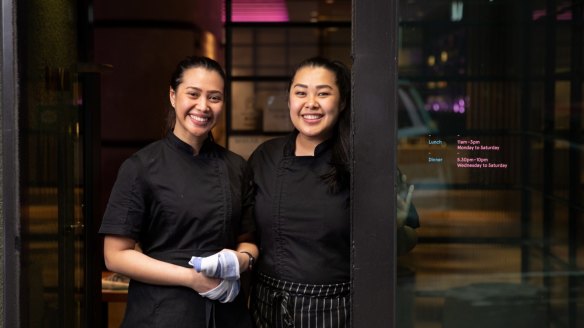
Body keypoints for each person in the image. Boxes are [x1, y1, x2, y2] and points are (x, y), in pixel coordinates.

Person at [247, 56, 419, 327]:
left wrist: (391, 228)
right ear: (289, 99)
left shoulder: (367, 163)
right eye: (301, 92)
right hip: (266, 308)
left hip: (335, 311)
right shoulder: (265, 157)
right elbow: (246, 232)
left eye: (323, 93)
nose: (310, 103)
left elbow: (408, 239)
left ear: (342, 103)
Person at [99, 55, 258, 328]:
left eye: (215, 97)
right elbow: (115, 255)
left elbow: (249, 240)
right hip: (161, 312)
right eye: (193, 94)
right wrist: (191, 278)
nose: (203, 106)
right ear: (173, 96)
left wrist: (239, 261)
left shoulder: (236, 167)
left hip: (227, 314)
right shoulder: (140, 167)